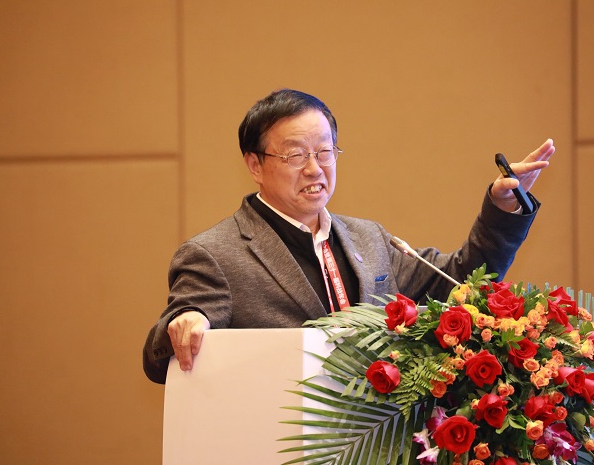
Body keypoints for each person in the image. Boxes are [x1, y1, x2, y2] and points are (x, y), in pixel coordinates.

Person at [143, 89, 555, 384]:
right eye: (295, 155)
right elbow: (160, 356)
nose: (314, 168)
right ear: (255, 165)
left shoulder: (368, 238)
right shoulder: (214, 253)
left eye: (325, 152)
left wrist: (503, 211)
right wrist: (187, 319)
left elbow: (460, 280)